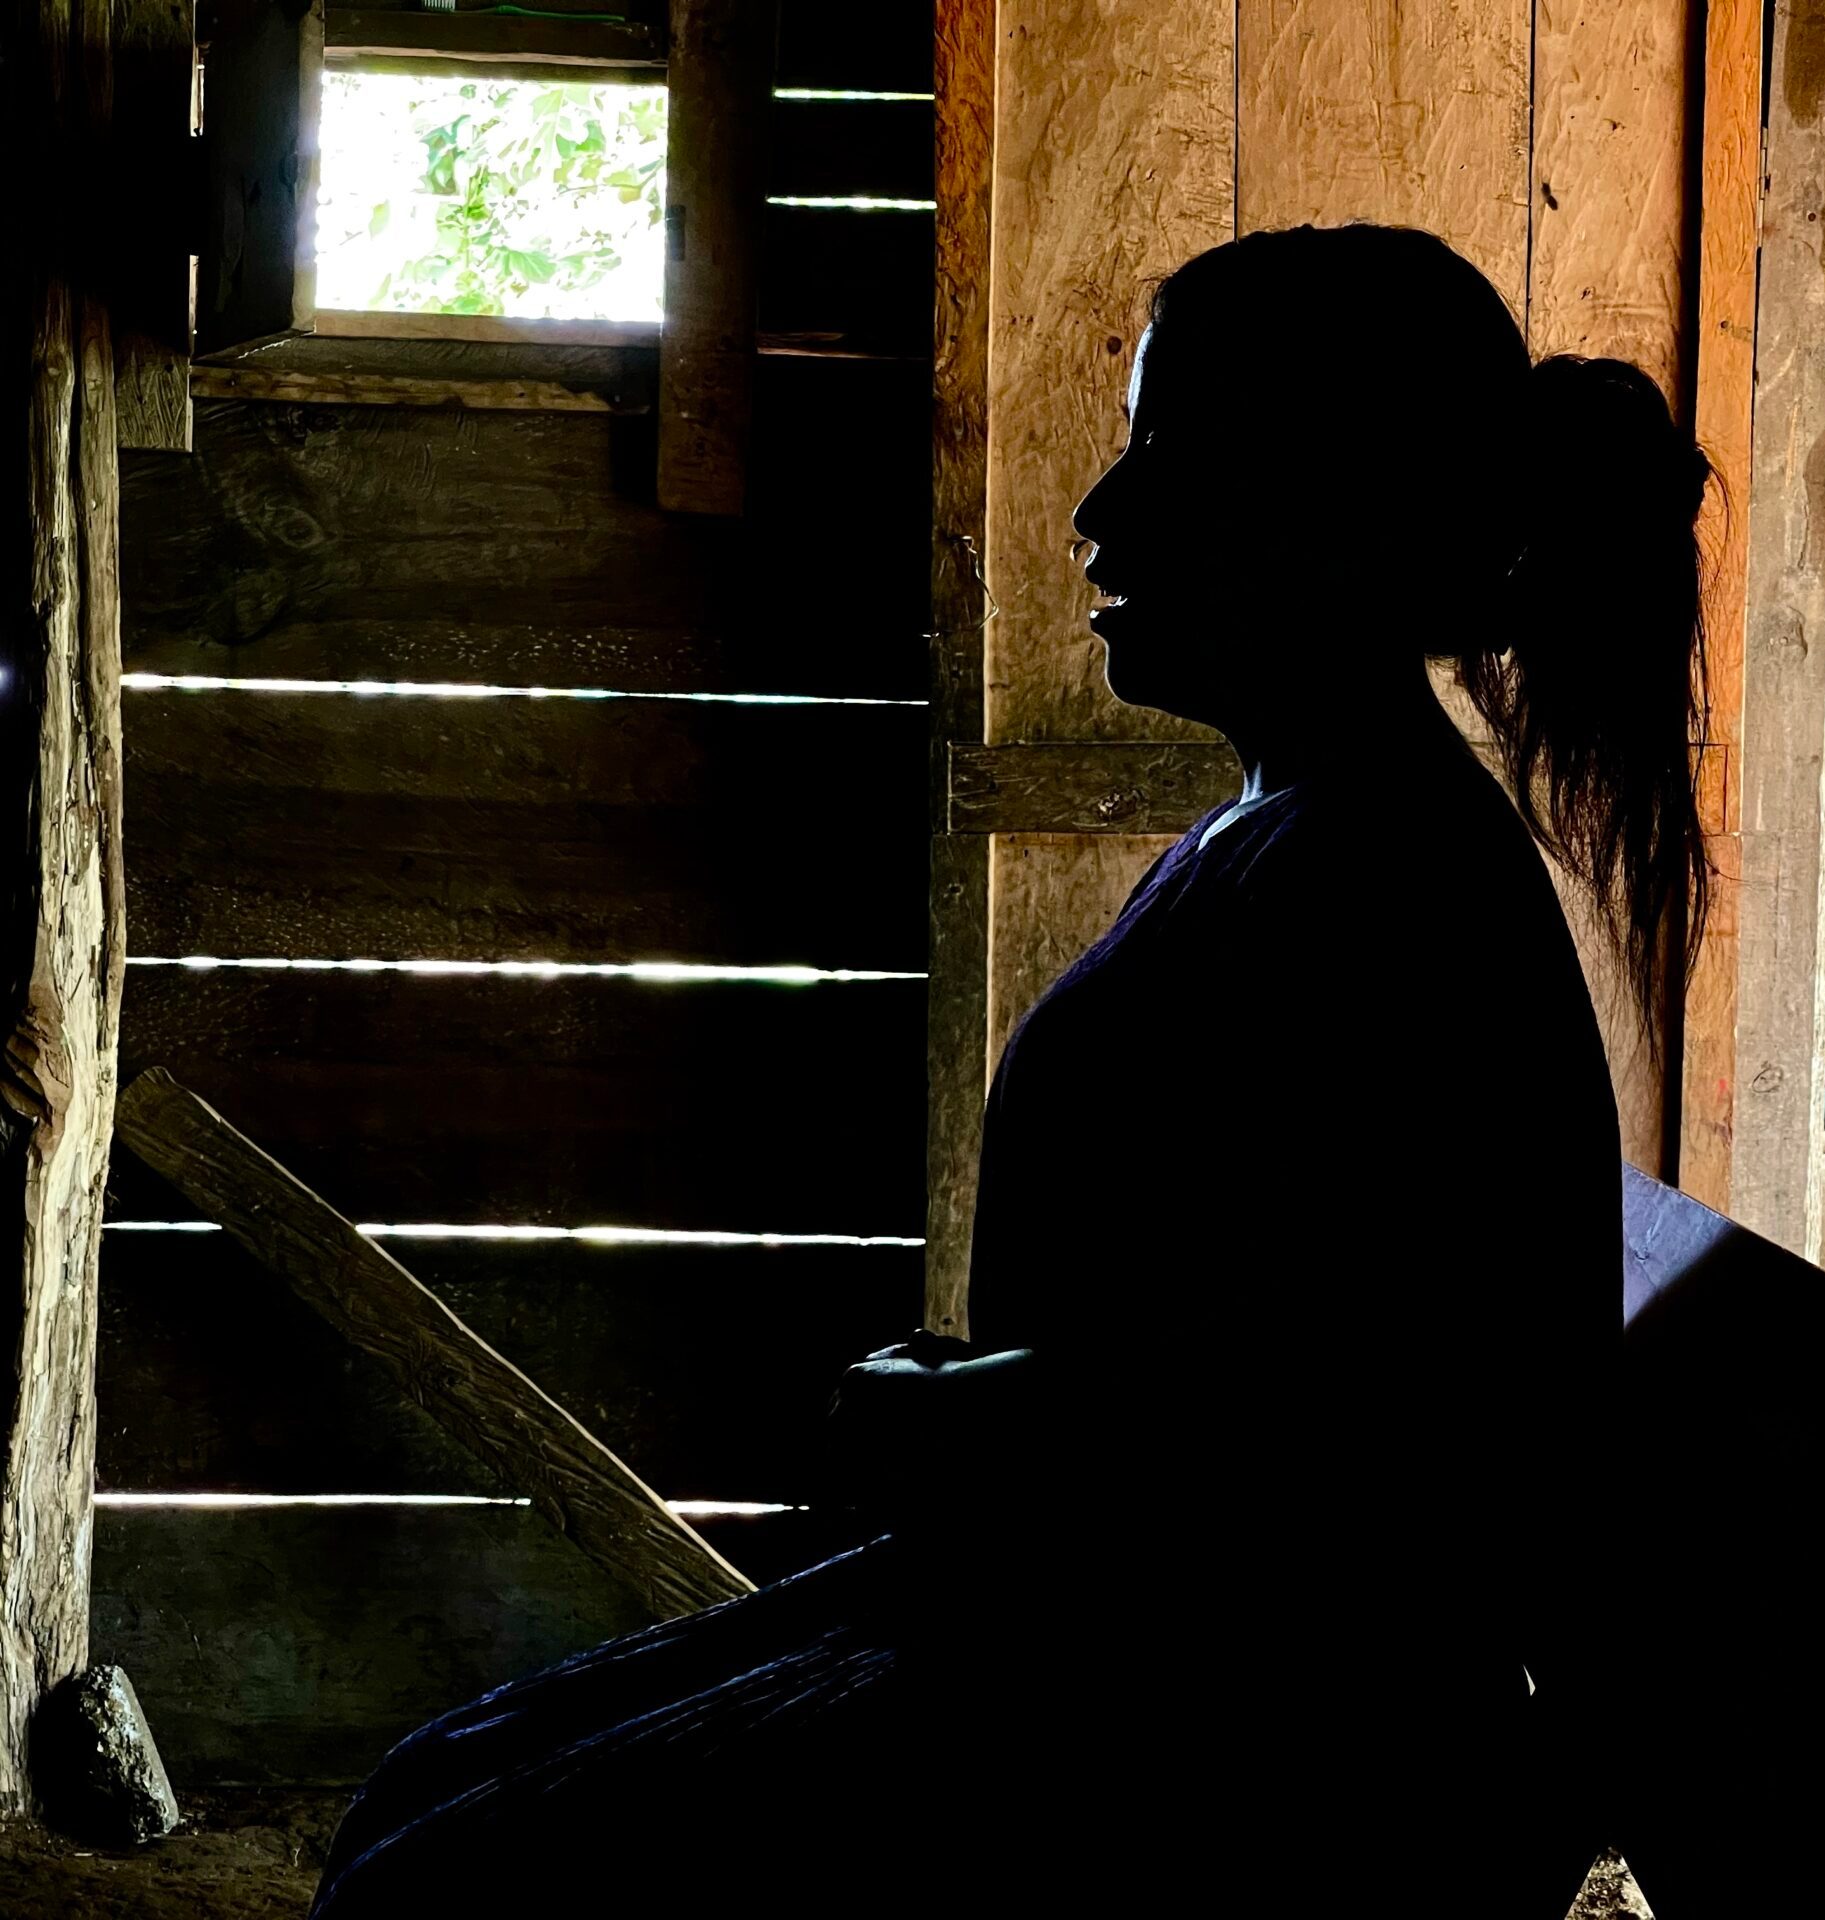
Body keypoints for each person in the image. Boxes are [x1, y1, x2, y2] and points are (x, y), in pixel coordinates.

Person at [308, 221, 1717, 1919]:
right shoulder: (1291, 833)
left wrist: (965, 1412)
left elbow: (1336, 1423)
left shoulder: (1383, 882)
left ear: (1344, 522)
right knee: (430, 1794)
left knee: (437, 1888)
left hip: (1252, 1755)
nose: (1101, 516)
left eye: (1175, 457)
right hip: (1130, 1654)